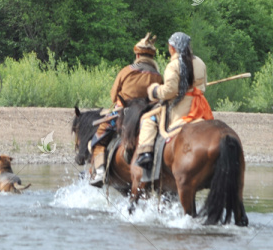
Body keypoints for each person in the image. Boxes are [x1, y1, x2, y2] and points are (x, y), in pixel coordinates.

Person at [88, 33, 164, 187]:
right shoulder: (158, 76)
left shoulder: (127, 70)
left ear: (137, 54)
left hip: (124, 112)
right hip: (148, 115)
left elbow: (113, 95)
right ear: (152, 57)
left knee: (99, 137)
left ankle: (100, 172)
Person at [135, 32, 209, 170]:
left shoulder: (174, 65)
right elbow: (203, 85)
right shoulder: (200, 62)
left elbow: (169, 92)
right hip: (200, 107)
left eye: (170, 46)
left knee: (148, 119)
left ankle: (145, 153)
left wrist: (155, 90)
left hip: (180, 109)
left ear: (173, 48)